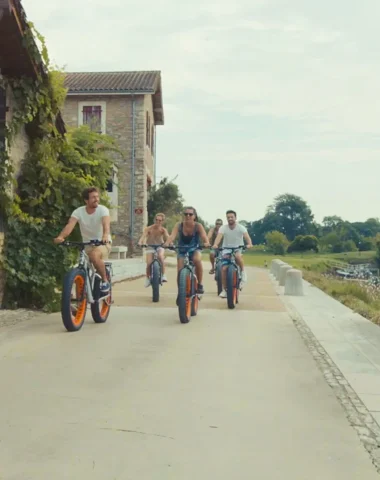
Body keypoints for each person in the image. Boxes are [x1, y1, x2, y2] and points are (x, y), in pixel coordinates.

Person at [54, 186, 112, 293]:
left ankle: (105, 281)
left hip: (103, 243)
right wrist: (61, 237)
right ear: (86, 200)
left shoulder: (103, 210)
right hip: (87, 245)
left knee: (94, 256)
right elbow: (69, 226)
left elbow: (106, 225)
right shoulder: (78, 212)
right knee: (77, 268)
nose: (97, 199)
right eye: (93, 197)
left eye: (97, 197)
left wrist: (105, 236)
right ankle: (78, 299)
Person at [164, 206, 210, 295]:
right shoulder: (179, 225)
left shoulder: (198, 226)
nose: (188, 216)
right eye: (186, 214)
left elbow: (204, 237)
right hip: (182, 250)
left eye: (190, 214)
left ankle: (200, 284)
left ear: (194, 216)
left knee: (197, 260)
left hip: (195, 249)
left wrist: (206, 243)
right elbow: (172, 236)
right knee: (180, 272)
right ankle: (180, 293)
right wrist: (167, 243)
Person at [212, 209, 253, 298]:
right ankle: (225, 289)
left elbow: (247, 237)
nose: (230, 219)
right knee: (224, 269)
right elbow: (219, 238)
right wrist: (215, 244)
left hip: (238, 248)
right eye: (228, 217)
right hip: (226, 249)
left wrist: (249, 244)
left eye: (232, 217)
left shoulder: (241, 227)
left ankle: (242, 272)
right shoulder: (223, 228)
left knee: (238, 257)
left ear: (235, 218)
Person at [138, 213, 169, 287]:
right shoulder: (149, 228)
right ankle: (147, 278)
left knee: (161, 257)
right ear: (154, 220)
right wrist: (140, 242)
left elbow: (168, 237)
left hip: (160, 246)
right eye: (156, 220)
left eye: (160, 220)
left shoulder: (163, 230)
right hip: (150, 246)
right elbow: (143, 236)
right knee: (149, 263)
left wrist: (169, 244)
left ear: (162, 221)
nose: (158, 222)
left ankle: (163, 275)